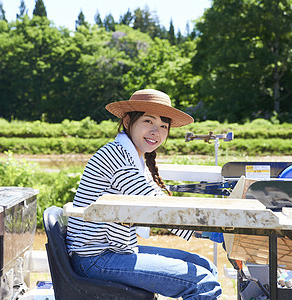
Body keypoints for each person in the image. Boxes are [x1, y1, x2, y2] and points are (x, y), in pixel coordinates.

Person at [66, 89, 222, 299]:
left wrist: (207, 225)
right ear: (128, 121)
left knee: (204, 266)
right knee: (203, 284)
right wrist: (205, 230)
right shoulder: (116, 155)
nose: (156, 132)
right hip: (96, 258)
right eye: (148, 121)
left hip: (114, 252)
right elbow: (154, 206)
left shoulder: (134, 157)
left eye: (163, 126)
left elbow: (158, 199)